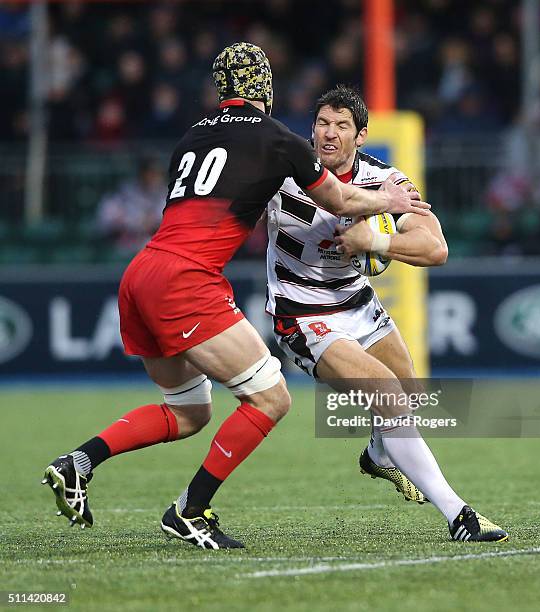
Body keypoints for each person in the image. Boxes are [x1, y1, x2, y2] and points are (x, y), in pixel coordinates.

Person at [42, 44, 430, 550]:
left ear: (221, 88)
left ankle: (80, 462)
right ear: (265, 88)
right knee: (271, 396)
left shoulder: (192, 136)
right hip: (186, 280)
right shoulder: (277, 137)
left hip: (141, 273)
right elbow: (338, 197)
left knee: (188, 411)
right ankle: (191, 510)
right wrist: (389, 200)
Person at [267, 85, 508, 542]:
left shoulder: (386, 181)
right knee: (388, 394)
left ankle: (379, 457)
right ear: (311, 130)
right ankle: (459, 515)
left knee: (407, 394)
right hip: (301, 312)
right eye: (322, 123)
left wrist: (375, 241)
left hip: (357, 304)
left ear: (361, 137)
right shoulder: (285, 169)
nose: (329, 134)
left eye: (342, 126)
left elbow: (436, 248)